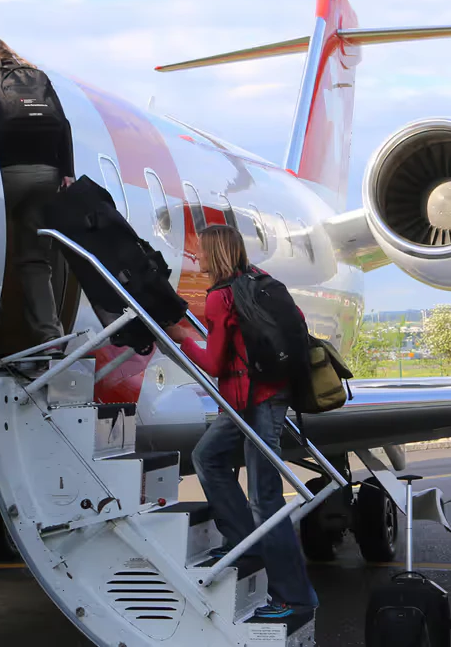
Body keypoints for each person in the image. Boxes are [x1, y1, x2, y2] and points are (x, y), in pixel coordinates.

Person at [167, 224, 318, 623]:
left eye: (199, 251)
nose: (195, 258)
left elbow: (214, 364)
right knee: (209, 457)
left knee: (266, 499)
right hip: (263, 396)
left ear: (215, 253)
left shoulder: (220, 298)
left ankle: (295, 596)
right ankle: (243, 542)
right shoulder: (262, 282)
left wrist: (183, 337)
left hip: (256, 403)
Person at [0, 34, 74, 355]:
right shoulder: (37, 76)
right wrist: (67, 173)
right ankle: (51, 338)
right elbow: (63, 126)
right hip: (47, 175)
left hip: (6, 174)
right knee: (36, 261)